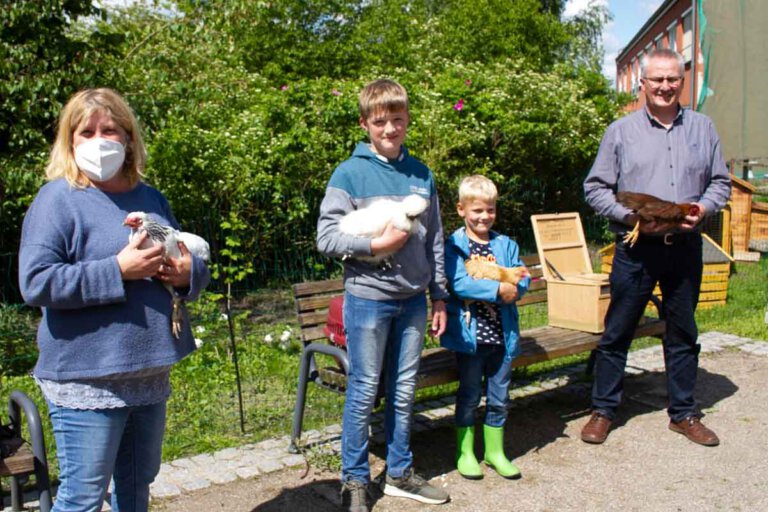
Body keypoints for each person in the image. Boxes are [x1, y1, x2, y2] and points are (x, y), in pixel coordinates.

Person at [18, 88, 210, 511]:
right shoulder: (57, 200)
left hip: (148, 374)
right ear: (70, 140)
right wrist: (117, 270)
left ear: (128, 137)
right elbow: (35, 283)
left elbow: (188, 261)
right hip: (87, 378)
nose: (99, 140)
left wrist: (186, 276)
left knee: (136, 488)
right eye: (86, 131)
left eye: (110, 129)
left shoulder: (149, 198)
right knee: (83, 499)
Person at [582, 49, 731, 446]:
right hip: (635, 249)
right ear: (643, 84)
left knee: (683, 332)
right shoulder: (621, 131)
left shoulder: (704, 128)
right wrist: (630, 217)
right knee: (618, 332)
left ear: (683, 82)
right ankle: (603, 410)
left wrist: (703, 208)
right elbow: (595, 188)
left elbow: (721, 182)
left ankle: (683, 413)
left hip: (684, 247)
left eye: (673, 79)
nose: (665, 86)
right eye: (657, 80)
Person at [316, 79, 450, 511]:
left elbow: (436, 241)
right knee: (364, 388)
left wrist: (439, 295)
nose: (390, 128)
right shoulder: (349, 173)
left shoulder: (421, 174)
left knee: (405, 389)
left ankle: (397, 473)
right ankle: (354, 480)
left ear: (408, 119)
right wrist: (374, 248)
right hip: (369, 297)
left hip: (413, 300)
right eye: (380, 121)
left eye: (397, 119)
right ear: (365, 124)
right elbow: (326, 238)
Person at [441, 175, 530, 480]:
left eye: (490, 210)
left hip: (502, 336)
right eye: (477, 210)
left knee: (499, 396)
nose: (484, 217)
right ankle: (465, 452)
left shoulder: (506, 244)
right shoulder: (454, 246)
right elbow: (459, 282)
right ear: (461, 209)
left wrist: (518, 288)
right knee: (468, 394)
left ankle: (494, 452)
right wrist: (497, 290)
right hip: (471, 338)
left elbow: (521, 275)